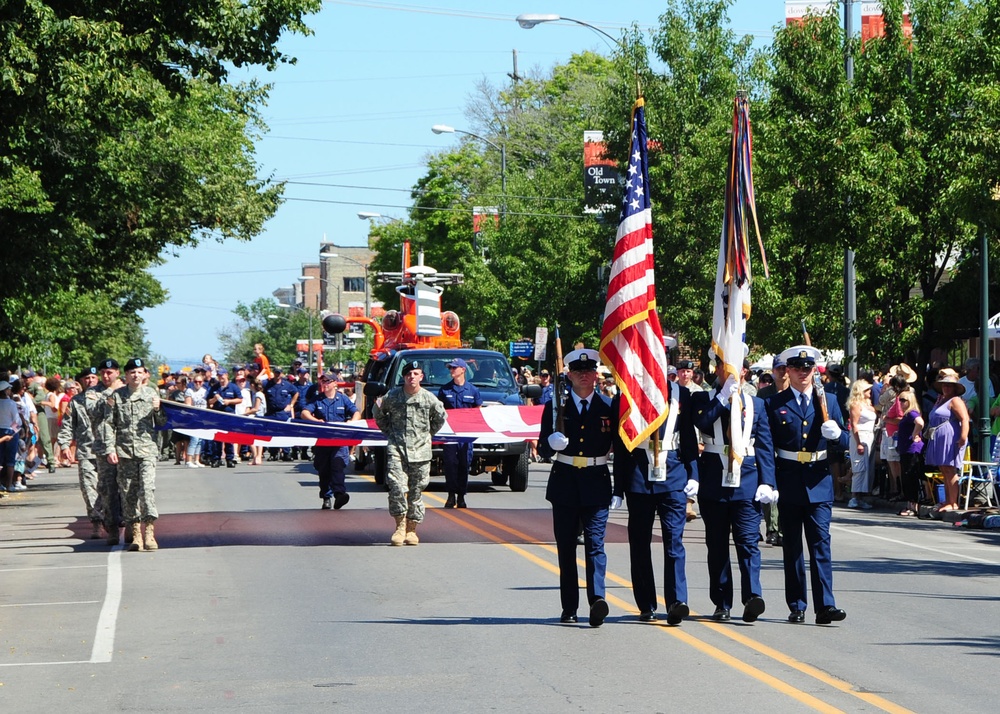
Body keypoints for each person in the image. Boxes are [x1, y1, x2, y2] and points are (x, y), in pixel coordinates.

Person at [765, 345, 849, 626]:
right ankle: (797, 604)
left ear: (815, 371)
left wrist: (837, 435)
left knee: (821, 546)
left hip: (819, 481)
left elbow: (847, 441)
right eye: (798, 369)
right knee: (793, 548)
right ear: (787, 371)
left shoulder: (830, 401)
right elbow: (768, 447)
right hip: (788, 481)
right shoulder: (775, 404)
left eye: (808, 369)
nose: (803, 373)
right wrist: (770, 481)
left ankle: (826, 605)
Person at [613, 356, 700, 626]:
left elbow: (687, 439)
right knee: (640, 544)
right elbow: (621, 447)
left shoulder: (681, 395)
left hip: (672, 475)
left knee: (674, 542)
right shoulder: (626, 396)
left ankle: (676, 601)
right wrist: (618, 487)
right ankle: (647, 604)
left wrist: (693, 474)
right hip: (639, 475)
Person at [693, 361, 776, 624]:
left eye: (735, 368)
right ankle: (722, 602)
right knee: (717, 545)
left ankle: (752, 597)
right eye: (723, 367)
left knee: (748, 542)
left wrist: (768, 482)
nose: (729, 372)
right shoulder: (702, 397)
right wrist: (722, 397)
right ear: (716, 370)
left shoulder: (757, 404)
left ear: (743, 372)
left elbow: (764, 445)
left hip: (747, 480)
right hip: (714, 480)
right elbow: (704, 422)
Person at [537, 348, 615, 627]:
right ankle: (569, 606)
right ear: (569, 376)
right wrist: (551, 443)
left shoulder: (609, 407)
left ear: (596, 375)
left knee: (595, 545)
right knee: (567, 548)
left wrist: (620, 489)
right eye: (578, 372)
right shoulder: (556, 407)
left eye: (589, 371)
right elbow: (543, 447)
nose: (584, 376)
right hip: (566, 481)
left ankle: (597, 600)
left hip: (596, 480)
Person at [373, 360, 447, 547]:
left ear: (421, 376)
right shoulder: (393, 396)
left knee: (416, 491)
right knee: (397, 486)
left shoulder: (429, 399)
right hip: (397, 448)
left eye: (415, 374)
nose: (411, 377)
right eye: (408, 374)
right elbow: (378, 412)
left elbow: (440, 418)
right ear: (403, 377)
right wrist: (390, 433)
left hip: (421, 452)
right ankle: (399, 526)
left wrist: (427, 435)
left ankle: (412, 529)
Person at [105, 358, 166, 551]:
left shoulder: (152, 394)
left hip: (147, 450)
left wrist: (158, 409)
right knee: (129, 493)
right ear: (126, 375)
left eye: (139, 372)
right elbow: (108, 424)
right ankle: (136, 534)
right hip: (124, 452)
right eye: (132, 372)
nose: (136, 375)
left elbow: (163, 423)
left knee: (147, 490)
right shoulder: (117, 396)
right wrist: (110, 448)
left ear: (145, 374)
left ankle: (149, 531)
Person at [301, 371, 361, 510]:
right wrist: (316, 421)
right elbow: (305, 413)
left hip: (339, 441)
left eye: (328, 381)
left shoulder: (342, 399)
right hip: (323, 441)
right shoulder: (317, 399)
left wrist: (351, 422)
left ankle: (339, 494)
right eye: (323, 381)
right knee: (324, 470)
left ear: (335, 383)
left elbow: (356, 412)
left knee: (338, 466)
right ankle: (326, 497)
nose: (324, 384)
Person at [57, 367, 103, 538]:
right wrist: (64, 445)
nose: (90, 380)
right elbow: (67, 425)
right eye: (86, 378)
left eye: (93, 377)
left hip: (108, 451)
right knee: (89, 489)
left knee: (111, 489)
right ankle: (96, 523)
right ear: (81, 381)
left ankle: (114, 519)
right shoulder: (76, 402)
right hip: (86, 451)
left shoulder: (108, 397)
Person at [437, 358, 483, 508]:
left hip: (466, 435)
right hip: (450, 434)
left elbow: (478, 411)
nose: (451, 370)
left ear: (463, 369)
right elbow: (439, 411)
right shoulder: (444, 390)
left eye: (454, 368)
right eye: (450, 368)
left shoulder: (473, 390)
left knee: (464, 463)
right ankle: (451, 495)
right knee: (450, 464)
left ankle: (461, 495)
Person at [923, 368, 970, 512]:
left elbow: (965, 419)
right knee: (943, 469)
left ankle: (953, 502)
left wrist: (963, 437)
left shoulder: (955, 401)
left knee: (950, 469)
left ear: (955, 388)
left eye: (949, 385)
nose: (946, 387)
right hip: (939, 437)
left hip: (951, 437)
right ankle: (947, 501)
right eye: (944, 385)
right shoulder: (941, 400)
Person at [92, 359, 125, 545]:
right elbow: (94, 411)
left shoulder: (127, 391)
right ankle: (111, 527)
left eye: (110, 372)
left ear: (117, 373)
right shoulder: (93, 393)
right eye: (103, 372)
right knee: (108, 489)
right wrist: (111, 395)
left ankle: (131, 524)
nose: (106, 376)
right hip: (104, 448)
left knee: (129, 488)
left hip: (126, 446)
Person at [846, 379, 876, 510]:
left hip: (870, 435)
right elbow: (854, 424)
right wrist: (858, 443)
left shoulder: (868, 403)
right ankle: (854, 496)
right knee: (859, 466)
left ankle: (861, 497)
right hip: (860, 436)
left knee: (866, 468)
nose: (870, 392)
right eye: (867, 390)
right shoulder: (856, 404)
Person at [895, 389, 924, 517]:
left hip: (911, 450)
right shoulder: (906, 415)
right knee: (907, 477)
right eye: (899, 399)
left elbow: (920, 422)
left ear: (910, 401)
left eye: (903, 400)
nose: (900, 402)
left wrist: (914, 434)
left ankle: (913, 506)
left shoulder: (912, 413)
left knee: (910, 476)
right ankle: (909, 505)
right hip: (905, 449)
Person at [207, 368, 242, 467]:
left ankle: (229, 459)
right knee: (217, 438)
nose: (221, 377)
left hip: (229, 415)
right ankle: (216, 459)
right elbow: (209, 402)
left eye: (222, 375)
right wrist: (214, 399)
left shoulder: (233, 387)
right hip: (218, 415)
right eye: (219, 375)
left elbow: (240, 399)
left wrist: (229, 402)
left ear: (226, 375)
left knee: (228, 438)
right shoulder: (215, 388)